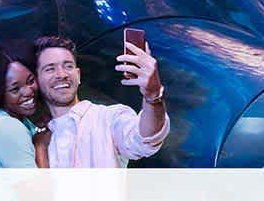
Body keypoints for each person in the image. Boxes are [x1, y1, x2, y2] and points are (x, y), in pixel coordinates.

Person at [33, 36, 170, 168]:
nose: (61, 74)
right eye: (50, 69)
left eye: (68, 66)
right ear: (37, 80)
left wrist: (153, 97)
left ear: (78, 75)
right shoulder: (36, 138)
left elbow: (145, 139)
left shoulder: (109, 117)